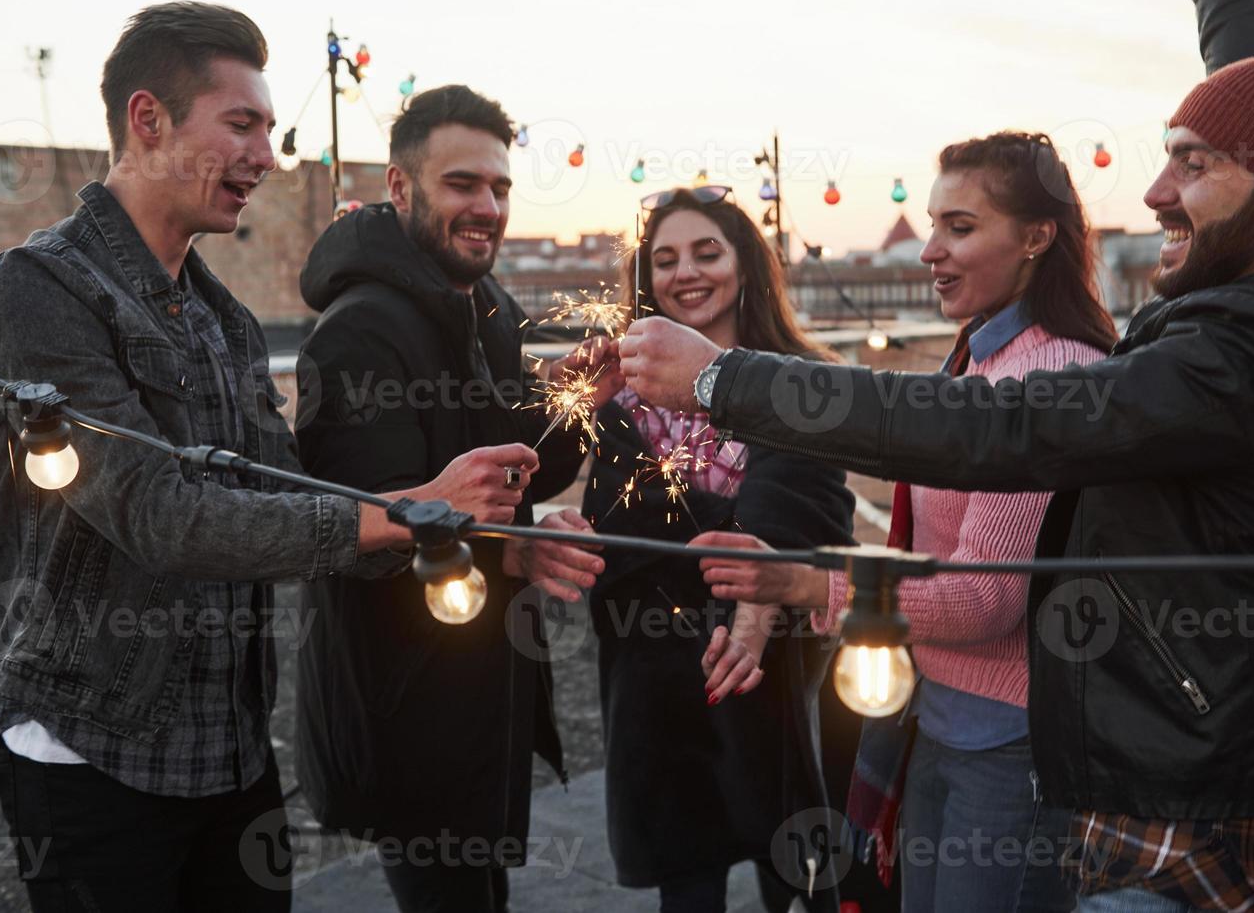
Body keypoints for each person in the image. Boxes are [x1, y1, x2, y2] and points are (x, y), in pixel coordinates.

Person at [619, 33, 1254, 913]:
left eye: (1190, 165)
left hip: (1181, 778)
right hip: (1094, 736)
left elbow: (994, 458)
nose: (1154, 192)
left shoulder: (1237, 345)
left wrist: (723, 386)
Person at [0, 3, 523, 912]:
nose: (266, 154)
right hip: (90, 759)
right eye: (242, 125)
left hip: (230, 752)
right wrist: (404, 513)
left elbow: (278, 492)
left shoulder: (221, 316)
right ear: (148, 120)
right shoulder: (32, 294)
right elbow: (162, 516)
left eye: (266, 128)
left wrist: (442, 503)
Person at [701, 131, 1114, 912]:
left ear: (1035, 237)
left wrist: (801, 581)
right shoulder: (978, 358)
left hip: (1011, 740)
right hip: (936, 712)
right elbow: (931, 555)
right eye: (931, 225)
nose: (930, 251)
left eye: (959, 228)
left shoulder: (1053, 370)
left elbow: (981, 599)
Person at [291, 84, 621, 913]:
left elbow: (519, 480)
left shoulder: (487, 307)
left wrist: (578, 408)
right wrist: (518, 550)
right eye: (462, 184)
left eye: (500, 188)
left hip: (484, 680)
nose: (487, 207)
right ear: (400, 189)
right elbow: (354, 534)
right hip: (405, 697)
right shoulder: (359, 330)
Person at [526, 186, 855, 913]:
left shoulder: (798, 377)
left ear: (745, 264)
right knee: (687, 879)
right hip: (657, 683)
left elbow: (813, 514)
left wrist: (731, 558)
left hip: (771, 669)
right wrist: (574, 402)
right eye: (666, 259)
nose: (687, 273)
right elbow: (579, 503)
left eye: (707, 252)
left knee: (798, 873)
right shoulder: (622, 397)